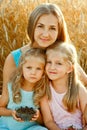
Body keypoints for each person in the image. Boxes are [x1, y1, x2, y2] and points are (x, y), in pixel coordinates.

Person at [1, 3, 87, 104]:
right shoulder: (14, 58)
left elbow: (84, 82)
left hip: (57, 119)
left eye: (52, 28)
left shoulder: (61, 56)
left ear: (59, 31)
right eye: (40, 26)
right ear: (32, 27)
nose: (46, 34)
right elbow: (5, 98)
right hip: (21, 117)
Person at [40, 42, 87, 130]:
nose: (52, 67)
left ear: (69, 68)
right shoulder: (45, 91)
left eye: (59, 63)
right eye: (49, 62)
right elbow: (48, 121)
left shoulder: (79, 89)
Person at [0, 48, 48, 130]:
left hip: (30, 127)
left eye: (38, 68)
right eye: (29, 67)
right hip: (6, 127)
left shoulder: (42, 91)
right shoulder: (12, 87)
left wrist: (38, 115)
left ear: (43, 72)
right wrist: (11, 113)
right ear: (22, 68)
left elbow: (45, 121)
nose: (33, 72)